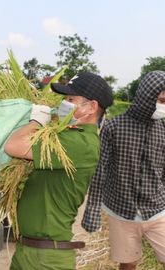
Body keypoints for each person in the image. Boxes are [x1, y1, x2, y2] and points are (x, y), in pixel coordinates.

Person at [4, 72, 113, 270]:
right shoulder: (66, 136)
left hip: (47, 259)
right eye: (64, 98)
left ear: (91, 107)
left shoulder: (79, 143)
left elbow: (12, 146)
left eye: (71, 99)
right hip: (29, 251)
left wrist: (36, 122)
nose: (64, 103)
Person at [82, 71, 165, 270]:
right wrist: (92, 212)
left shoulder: (162, 130)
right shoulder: (113, 127)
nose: (164, 107)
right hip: (121, 212)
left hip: (157, 211)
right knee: (128, 263)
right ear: (147, 96)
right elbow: (99, 172)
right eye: (162, 100)